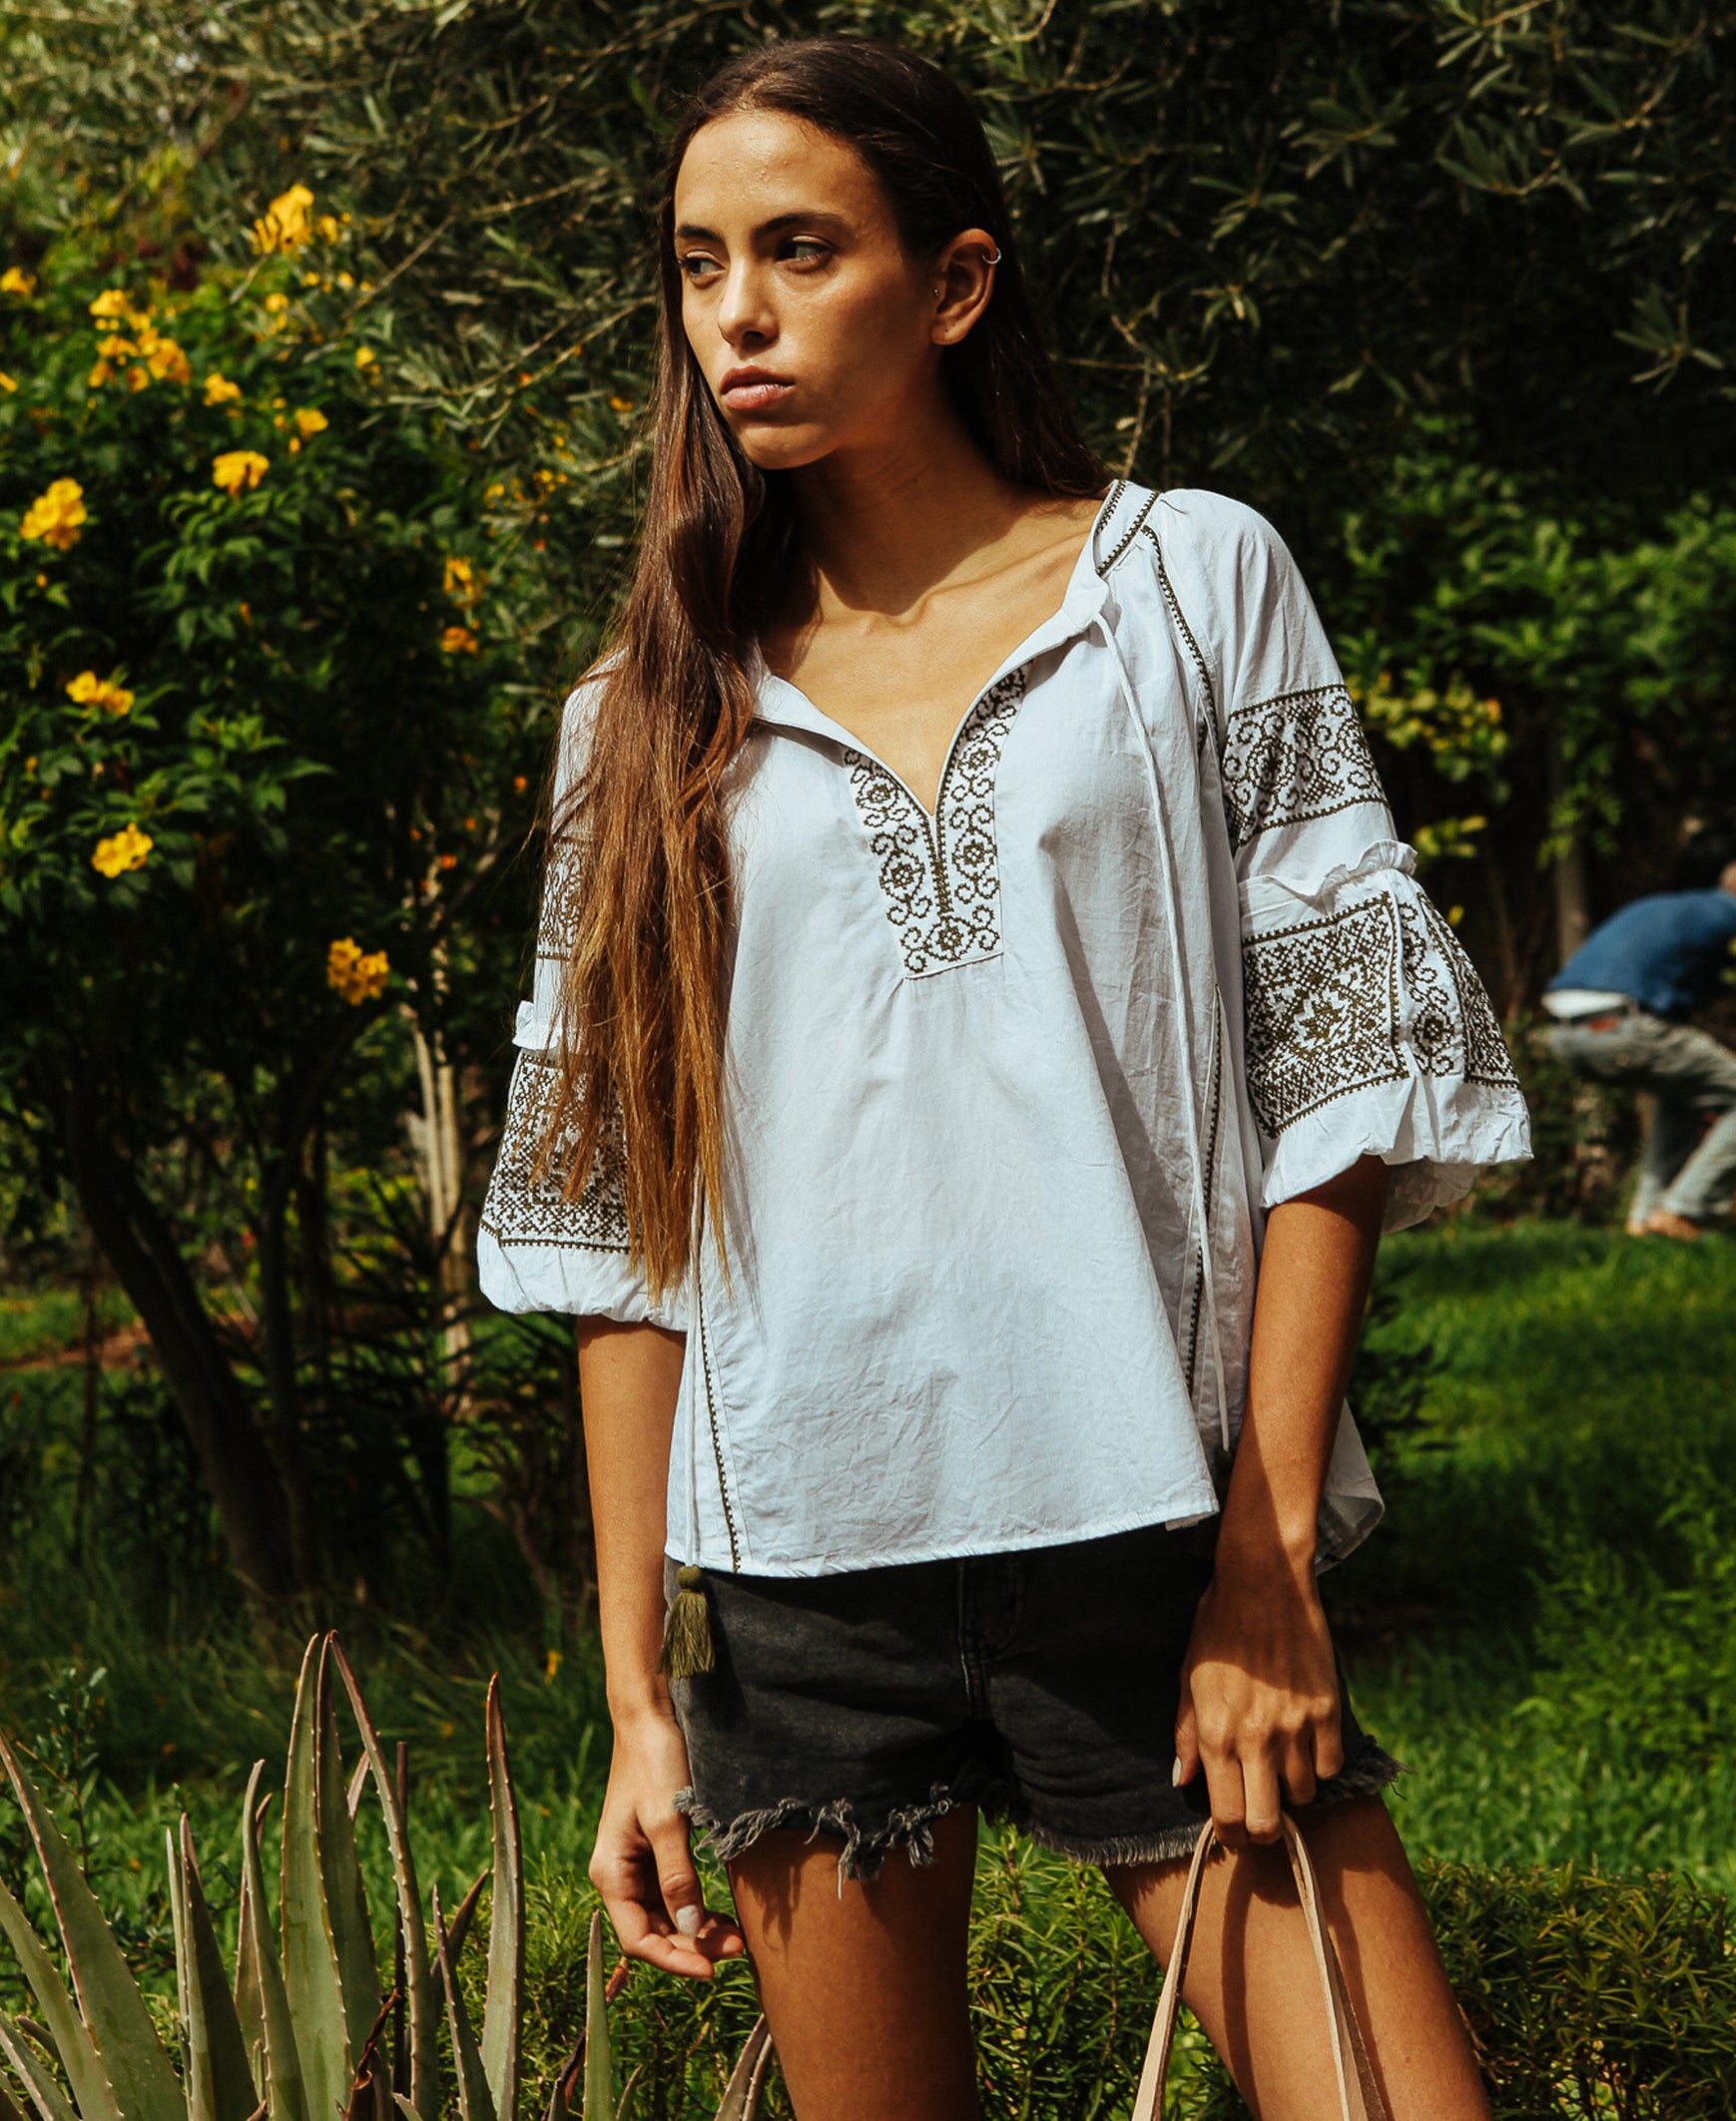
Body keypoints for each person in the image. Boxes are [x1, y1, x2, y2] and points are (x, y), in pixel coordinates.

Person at [477, 36, 1529, 2121]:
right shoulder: (647, 706)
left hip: (1153, 1545)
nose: (736, 317)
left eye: (797, 251)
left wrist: (1269, 1558)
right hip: (801, 1583)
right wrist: (635, 1699)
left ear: (952, 283)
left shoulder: (1182, 586)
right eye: (697, 266)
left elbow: (1342, 1074)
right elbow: (618, 1215)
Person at [1544, 860, 1736, 1239]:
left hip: (1563, 1031)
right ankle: (1686, 1209)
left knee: (1685, 1097)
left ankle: (1646, 1221)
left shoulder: (1664, 907)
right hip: (1621, 1025)